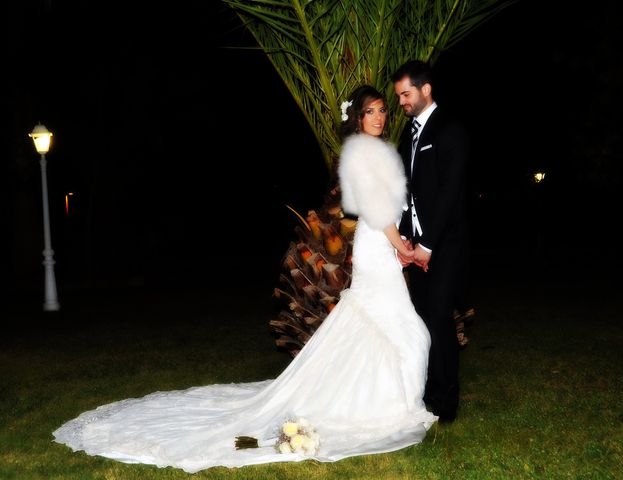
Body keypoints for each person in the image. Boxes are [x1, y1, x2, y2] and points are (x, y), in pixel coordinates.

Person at [52, 85, 437, 473]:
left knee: (398, 328)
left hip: (380, 247)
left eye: (383, 110)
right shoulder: (363, 154)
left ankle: (380, 401)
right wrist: (401, 247)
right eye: (370, 111)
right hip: (377, 246)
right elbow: (375, 208)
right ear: (356, 117)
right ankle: (381, 406)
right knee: (401, 329)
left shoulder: (373, 151)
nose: (379, 116)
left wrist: (399, 243)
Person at [392, 60, 470, 423]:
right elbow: (409, 190)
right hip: (418, 244)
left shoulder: (450, 129)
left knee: (439, 317)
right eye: (399, 96)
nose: (402, 102)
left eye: (406, 94)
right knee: (423, 318)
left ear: (426, 89)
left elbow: (450, 194)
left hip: (446, 244)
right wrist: (407, 235)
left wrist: (428, 245)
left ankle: (447, 401)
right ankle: (428, 390)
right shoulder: (408, 133)